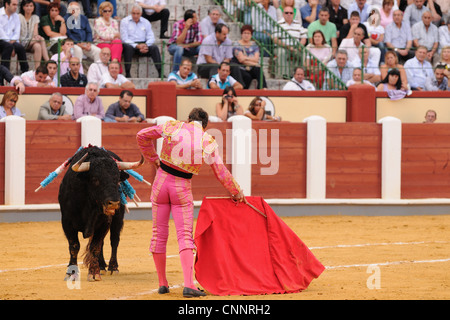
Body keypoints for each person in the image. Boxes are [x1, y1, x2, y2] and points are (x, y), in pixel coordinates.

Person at [136, 107, 245, 298]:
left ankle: (162, 283)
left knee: (158, 234)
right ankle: (189, 285)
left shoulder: (173, 126)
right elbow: (220, 171)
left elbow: (141, 136)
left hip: (160, 183)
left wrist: (153, 159)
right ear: (204, 125)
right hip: (181, 188)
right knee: (184, 235)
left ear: (188, 119)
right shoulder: (206, 140)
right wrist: (236, 191)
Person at [120, 4, 162, 78]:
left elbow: (151, 37)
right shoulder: (124, 21)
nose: (135, 15)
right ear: (130, 13)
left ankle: (160, 72)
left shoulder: (146, 22)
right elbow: (124, 38)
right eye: (133, 13)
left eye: (137, 13)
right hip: (131, 45)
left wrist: (146, 45)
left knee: (154, 48)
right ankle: (127, 73)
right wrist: (137, 46)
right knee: (127, 47)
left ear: (141, 14)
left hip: (143, 45)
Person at [64, 2, 100, 66]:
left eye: (77, 9)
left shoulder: (84, 18)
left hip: (85, 43)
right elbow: (69, 34)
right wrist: (79, 44)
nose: (75, 11)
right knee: (78, 50)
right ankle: (78, 71)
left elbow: (89, 32)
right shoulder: (66, 19)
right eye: (73, 9)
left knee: (98, 51)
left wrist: (88, 42)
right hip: (74, 44)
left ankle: (97, 71)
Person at [231, 25, 267, 89]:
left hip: (251, 68)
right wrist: (254, 64)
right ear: (241, 34)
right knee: (247, 76)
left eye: (248, 33)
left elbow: (256, 59)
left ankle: (262, 88)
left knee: (259, 70)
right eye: (244, 33)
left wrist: (246, 58)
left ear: (251, 35)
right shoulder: (237, 44)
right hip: (241, 68)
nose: (246, 35)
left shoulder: (254, 45)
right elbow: (241, 60)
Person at [0, 0, 29, 73]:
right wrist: (10, 44)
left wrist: (11, 43)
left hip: (11, 41)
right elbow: (1, 33)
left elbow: (17, 32)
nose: (16, 7)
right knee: (8, 47)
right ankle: (3, 74)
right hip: (1, 40)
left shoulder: (16, 16)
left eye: (17, 5)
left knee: (20, 48)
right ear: (7, 4)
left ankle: (25, 72)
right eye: (14, 5)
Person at [19, 0, 49, 68]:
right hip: (21, 42)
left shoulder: (35, 17)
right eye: (27, 6)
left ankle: (37, 69)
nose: (29, 8)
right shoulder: (19, 17)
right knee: (42, 39)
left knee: (38, 46)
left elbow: (35, 33)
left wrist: (37, 37)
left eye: (31, 6)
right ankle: (47, 61)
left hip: (31, 43)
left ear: (34, 7)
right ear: (23, 7)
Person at [93, 1, 122, 71]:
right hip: (100, 42)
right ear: (101, 12)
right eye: (105, 11)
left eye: (109, 11)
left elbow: (117, 36)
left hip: (112, 43)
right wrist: (113, 36)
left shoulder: (114, 21)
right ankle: (116, 68)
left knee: (118, 41)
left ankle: (114, 62)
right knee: (109, 48)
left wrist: (111, 36)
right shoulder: (98, 21)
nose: (107, 13)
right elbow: (102, 35)